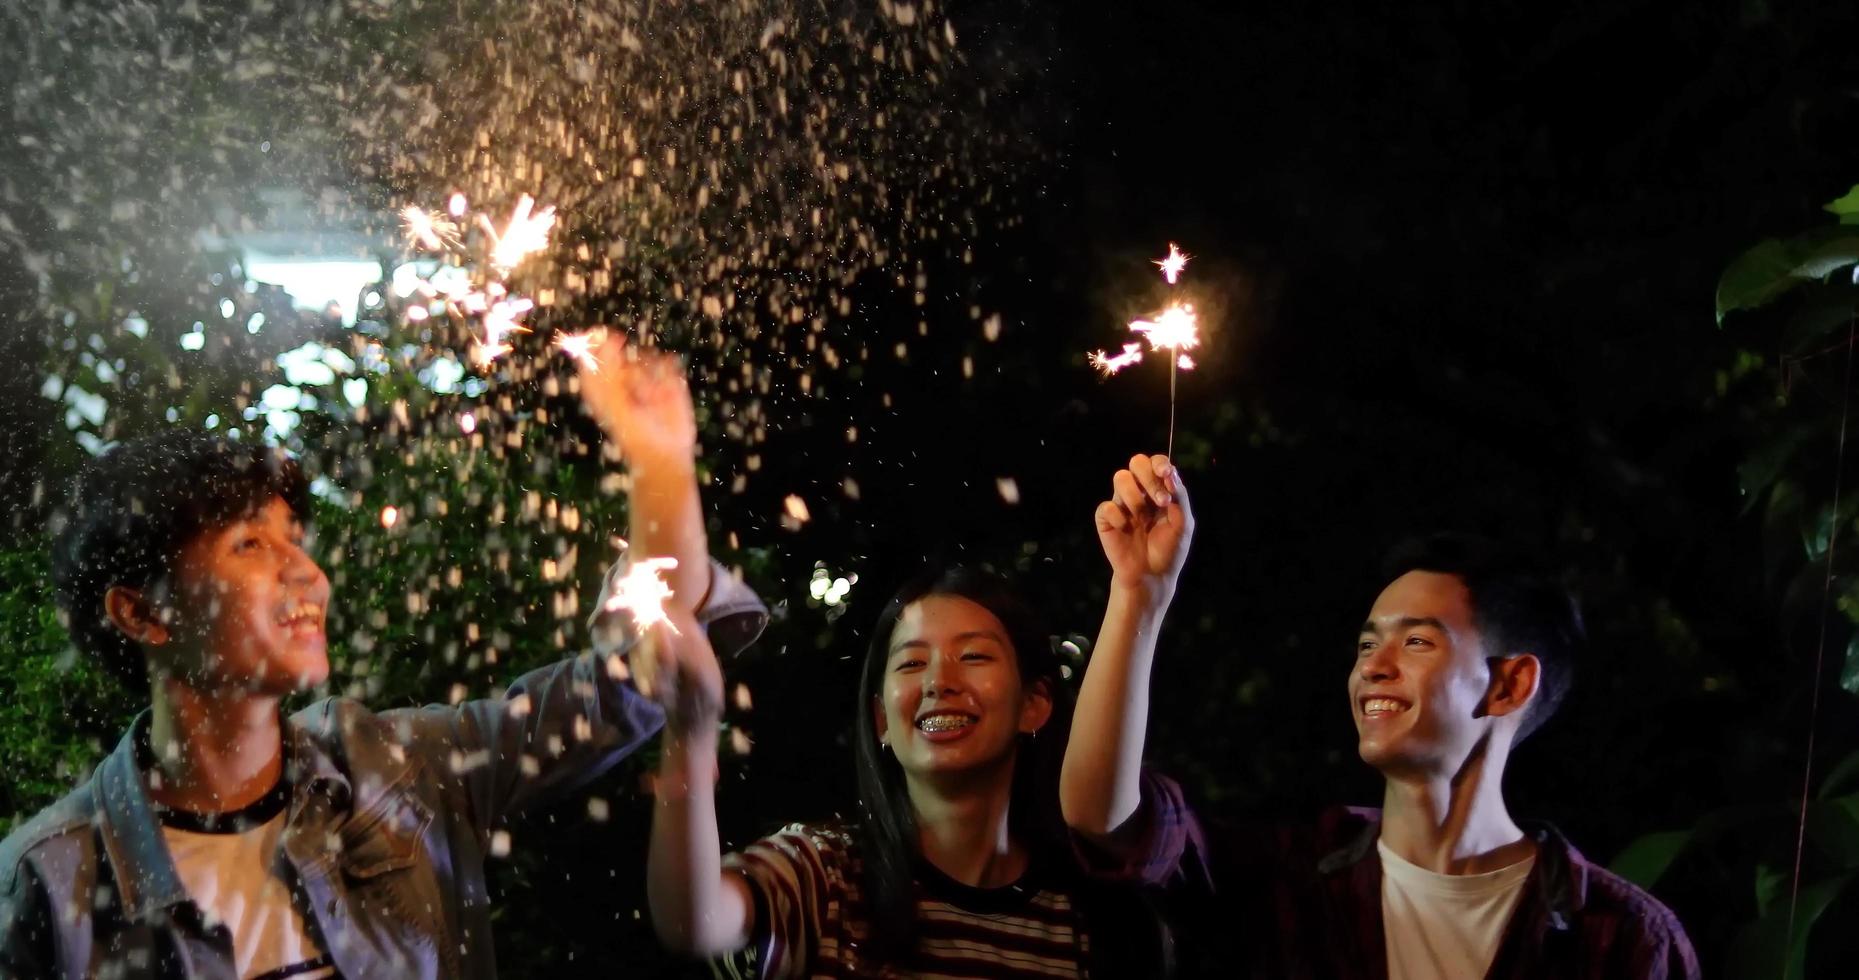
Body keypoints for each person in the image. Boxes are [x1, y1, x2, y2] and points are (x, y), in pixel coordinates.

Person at [0, 341, 762, 979]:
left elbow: (640, 672)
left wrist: (660, 463)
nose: (307, 574)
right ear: (142, 612)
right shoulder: (50, 884)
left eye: (295, 540)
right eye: (250, 545)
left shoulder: (401, 773)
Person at [635, 445, 1204, 978]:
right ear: (882, 721)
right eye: (910, 665)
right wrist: (691, 728)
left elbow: (1101, 810)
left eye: (974, 656)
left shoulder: (1085, 922)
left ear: (1034, 705)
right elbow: (694, 920)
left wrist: (1139, 592)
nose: (938, 682)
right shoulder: (822, 877)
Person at [1238, 533, 1700, 979]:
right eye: (1367, 645)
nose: (1372, 668)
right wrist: (1159, 596)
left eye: (1416, 642)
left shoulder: (1624, 938)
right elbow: (1165, 852)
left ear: (1509, 686)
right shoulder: (1284, 882)